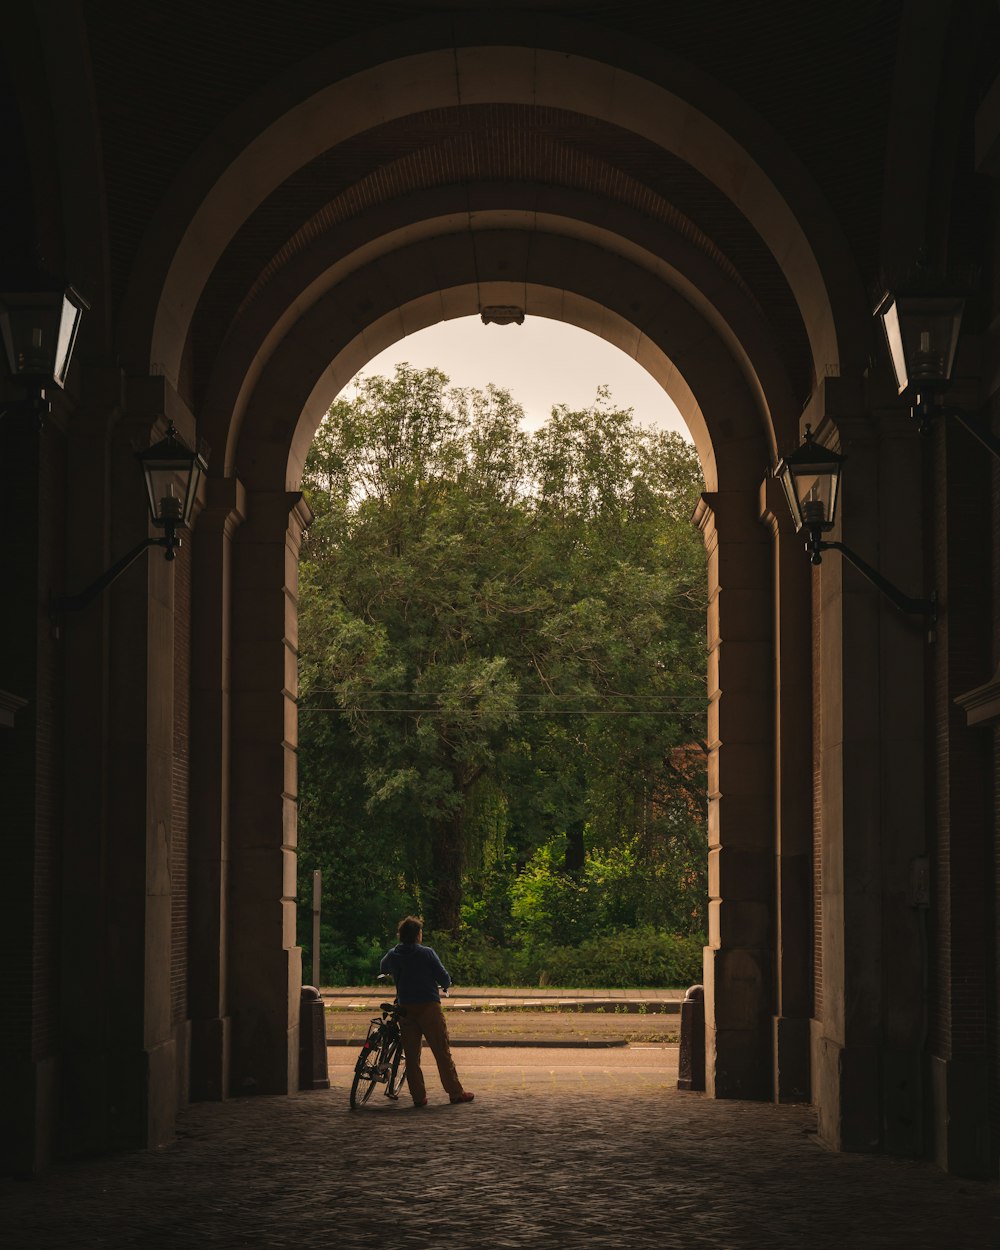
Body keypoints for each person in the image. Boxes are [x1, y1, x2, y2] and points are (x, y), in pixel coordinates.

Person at [380, 916, 475, 1108]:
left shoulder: (393, 954)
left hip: (405, 1009)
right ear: (417, 935)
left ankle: (419, 1097)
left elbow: (383, 968)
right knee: (441, 1052)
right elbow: (444, 978)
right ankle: (455, 1093)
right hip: (428, 1008)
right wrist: (444, 984)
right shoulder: (427, 953)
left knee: (412, 1057)